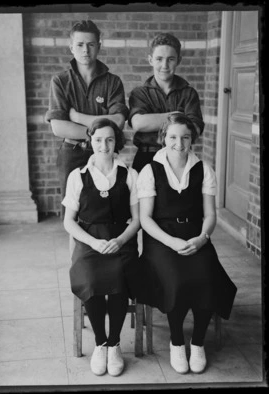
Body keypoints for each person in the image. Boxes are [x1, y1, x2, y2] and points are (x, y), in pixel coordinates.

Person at [136, 113, 237, 374]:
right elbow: (145, 218)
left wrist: (202, 238)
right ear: (163, 139)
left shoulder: (203, 169)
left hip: (195, 234)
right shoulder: (150, 170)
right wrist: (171, 242)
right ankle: (177, 342)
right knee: (176, 278)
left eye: (185, 137)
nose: (178, 143)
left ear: (192, 139)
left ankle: (199, 341)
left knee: (207, 276)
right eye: (172, 137)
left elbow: (210, 215)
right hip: (161, 237)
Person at [62, 118, 140, 377]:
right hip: (89, 241)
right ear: (90, 141)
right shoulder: (78, 176)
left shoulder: (129, 174)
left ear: (116, 142)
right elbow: (68, 221)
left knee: (120, 277)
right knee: (91, 279)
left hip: (121, 241)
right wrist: (93, 242)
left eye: (109, 139)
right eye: (98, 140)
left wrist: (120, 240)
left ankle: (115, 343)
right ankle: (100, 343)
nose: (104, 145)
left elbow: (138, 219)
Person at [45, 20, 129, 216]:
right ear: (71, 47)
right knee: (72, 212)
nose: (85, 50)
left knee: (106, 210)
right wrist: (100, 132)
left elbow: (117, 122)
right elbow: (59, 128)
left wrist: (77, 116)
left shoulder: (112, 82)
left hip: (105, 153)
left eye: (91, 44)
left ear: (99, 46)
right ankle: (77, 248)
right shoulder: (60, 81)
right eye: (80, 45)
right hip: (72, 153)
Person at [128, 32, 205, 173]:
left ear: (179, 60)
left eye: (170, 59)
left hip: (180, 156)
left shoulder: (189, 93)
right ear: (150, 60)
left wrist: (154, 121)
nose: (164, 65)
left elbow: (195, 130)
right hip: (147, 157)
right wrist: (178, 116)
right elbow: (138, 123)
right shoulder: (140, 93)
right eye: (159, 59)